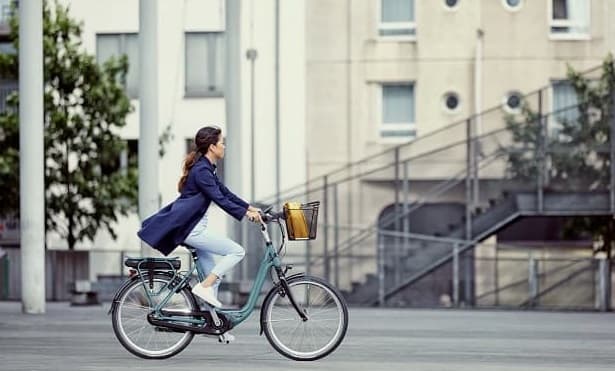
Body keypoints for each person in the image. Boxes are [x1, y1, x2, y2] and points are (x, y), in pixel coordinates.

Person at [137, 125, 263, 310]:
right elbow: (219, 199)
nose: (224, 146)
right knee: (236, 252)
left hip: (195, 228)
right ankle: (203, 288)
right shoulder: (202, 171)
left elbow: (225, 193)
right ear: (212, 147)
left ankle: (213, 323)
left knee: (213, 278)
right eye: (222, 142)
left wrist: (253, 209)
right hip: (191, 229)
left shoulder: (207, 168)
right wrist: (246, 214)